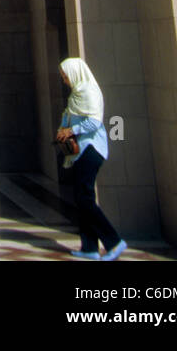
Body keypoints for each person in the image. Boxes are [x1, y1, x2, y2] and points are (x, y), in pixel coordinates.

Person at [56, 56, 127, 262]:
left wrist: (71, 130)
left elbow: (94, 122)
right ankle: (89, 247)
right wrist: (63, 128)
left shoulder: (89, 92)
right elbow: (69, 113)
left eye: (66, 76)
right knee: (82, 197)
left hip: (92, 149)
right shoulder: (77, 93)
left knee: (84, 197)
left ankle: (113, 242)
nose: (65, 80)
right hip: (81, 151)